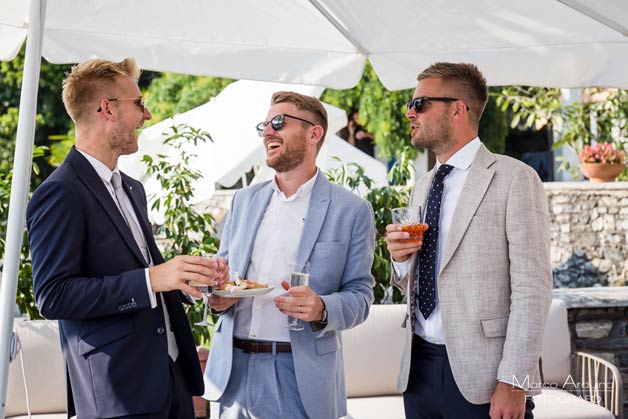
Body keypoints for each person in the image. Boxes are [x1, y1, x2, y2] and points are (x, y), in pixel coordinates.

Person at [26, 57, 228, 419]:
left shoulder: (132, 188)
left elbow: (145, 273)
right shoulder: (59, 192)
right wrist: (152, 279)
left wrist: (187, 280)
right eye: (139, 104)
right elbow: (53, 296)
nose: (146, 115)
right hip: (116, 391)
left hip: (172, 380)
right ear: (107, 109)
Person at [385, 62, 552, 419]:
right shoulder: (422, 186)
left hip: (486, 377)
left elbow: (533, 288)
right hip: (417, 370)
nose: (409, 112)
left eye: (419, 104)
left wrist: (515, 380)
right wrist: (400, 260)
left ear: (458, 109)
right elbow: (417, 280)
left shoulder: (515, 179)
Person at [203, 91, 376, 419]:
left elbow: (361, 296)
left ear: (314, 133)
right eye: (265, 125)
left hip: (299, 376)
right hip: (232, 371)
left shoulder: (352, 211)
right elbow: (223, 271)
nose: (268, 132)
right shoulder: (243, 200)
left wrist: (322, 308)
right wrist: (216, 293)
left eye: (279, 123)